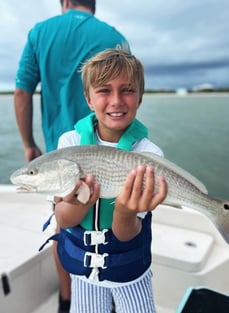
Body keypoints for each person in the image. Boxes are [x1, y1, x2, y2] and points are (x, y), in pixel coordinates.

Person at [14, 1, 130, 312]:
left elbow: (22, 91)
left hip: (58, 155)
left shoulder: (41, 32)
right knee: (115, 222)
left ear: (64, 2)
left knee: (64, 229)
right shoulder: (114, 36)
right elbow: (124, 97)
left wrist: (28, 143)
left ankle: (68, 299)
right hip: (113, 157)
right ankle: (110, 295)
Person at [52, 49, 168, 313]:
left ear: (139, 98)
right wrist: (80, 203)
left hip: (130, 272)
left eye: (127, 90)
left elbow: (126, 234)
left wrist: (125, 212)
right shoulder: (68, 145)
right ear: (88, 99)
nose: (116, 100)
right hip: (83, 274)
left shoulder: (150, 155)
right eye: (104, 90)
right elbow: (64, 220)